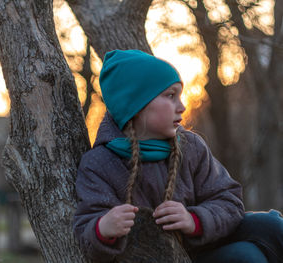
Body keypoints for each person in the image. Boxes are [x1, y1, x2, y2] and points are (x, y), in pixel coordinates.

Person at [73, 49, 283, 262]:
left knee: (271, 225)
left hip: (202, 242)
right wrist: (103, 228)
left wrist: (194, 220)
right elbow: (85, 235)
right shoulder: (99, 163)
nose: (182, 107)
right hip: (156, 258)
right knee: (245, 256)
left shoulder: (191, 146)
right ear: (136, 105)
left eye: (180, 96)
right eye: (171, 96)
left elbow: (228, 200)